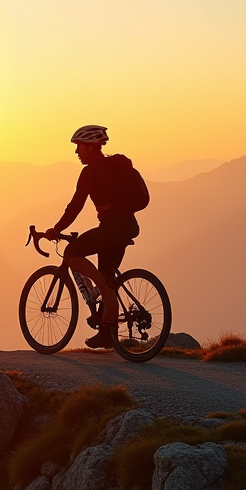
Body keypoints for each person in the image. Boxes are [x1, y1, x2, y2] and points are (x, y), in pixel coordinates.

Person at [44, 125, 149, 349]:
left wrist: (56, 228)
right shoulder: (114, 166)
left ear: (90, 147)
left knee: (72, 252)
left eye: (79, 147)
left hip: (113, 227)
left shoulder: (91, 172)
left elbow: (75, 207)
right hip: (127, 225)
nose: (76, 152)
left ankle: (104, 288)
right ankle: (106, 332)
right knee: (107, 275)